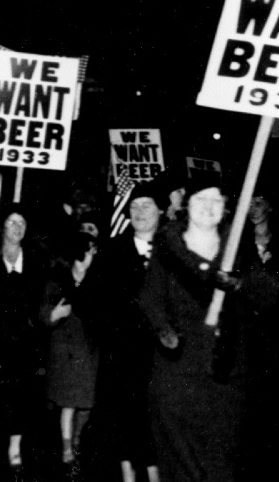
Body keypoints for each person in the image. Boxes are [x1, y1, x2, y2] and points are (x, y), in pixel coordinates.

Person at [138, 180, 279, 482]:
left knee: (219, 459)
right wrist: (164, 329)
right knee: (181, 461)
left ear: (226, 209)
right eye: (201, 200)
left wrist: (240, 284)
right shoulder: (167, 246)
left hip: (224, 371)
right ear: (187, 206)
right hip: (177, 370)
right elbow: (150, 298)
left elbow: (269, 293)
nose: (208, 207)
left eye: (216, 201)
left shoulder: (236, 247)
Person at [78, 181, 165, 482]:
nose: (140, 212)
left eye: (147, 206)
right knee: (123, 419)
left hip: (164, 358)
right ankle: (127, 474)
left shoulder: (173, 250)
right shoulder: (112, 251)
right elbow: (88, 301)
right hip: (123, 356)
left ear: (161, 210)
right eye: (134, 207)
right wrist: (113, 332)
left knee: (157, 421)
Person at [0, 208, 50, 479]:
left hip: (22, 344)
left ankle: (15, 448)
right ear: (3, 227)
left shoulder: (36, 262)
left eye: (22, 222)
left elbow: (39, 305)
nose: (17, 227)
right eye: (12, 222)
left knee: (20, 397)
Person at [41, 233, 99, 472]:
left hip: (88, 348)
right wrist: (54, 315)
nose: (94, 254)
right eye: (91, 250)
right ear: (80, 253)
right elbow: (45, 313)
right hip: (64, 348)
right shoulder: (58, 280)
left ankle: (76, 438)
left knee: (85, 403)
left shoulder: (96, 281)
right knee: (68, 402)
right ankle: (67, 448)